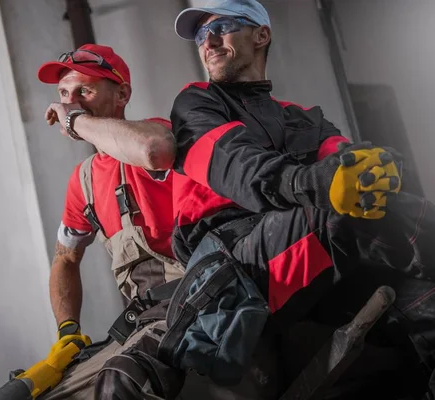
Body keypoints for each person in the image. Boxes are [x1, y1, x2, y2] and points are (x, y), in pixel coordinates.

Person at [164, 0, 435, 397]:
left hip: (313, 259)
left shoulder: (304, 117)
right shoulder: (196, 104)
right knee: (343, 212)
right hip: (239, 266)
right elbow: (239, 170)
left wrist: (377, 168)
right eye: (203, 34)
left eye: (221, 27)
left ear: (261, 34)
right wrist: (321, 183)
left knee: (426, 306)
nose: (209, 41)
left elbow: (348, 163)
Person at [35, 43, 186, 400]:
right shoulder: (83, 180)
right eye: (63, 94)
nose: (70, 102)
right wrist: (67, 332)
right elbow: (65, 258)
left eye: (83, 91)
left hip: (191, 303)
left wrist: (75, 120)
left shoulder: (155, 137)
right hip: (139, 322)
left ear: (122, 94)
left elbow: (152, 148)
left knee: (120, 383)